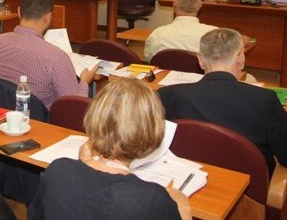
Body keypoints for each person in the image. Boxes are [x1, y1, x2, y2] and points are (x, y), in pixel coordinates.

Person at [29, 78, 190, 220]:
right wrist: (184, 212)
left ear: (93, 118)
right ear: (152, 132)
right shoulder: (153, 199)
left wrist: (83, 165)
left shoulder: (58, 171)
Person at [159, 28, 287, 175]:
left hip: (187, 178)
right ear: (241, 58)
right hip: (252, 186)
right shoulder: (264, 100)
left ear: (200, 60)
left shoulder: (167, 95)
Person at [0, 0, 96, 109]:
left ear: (19, 12)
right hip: (37, 120)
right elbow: (73, 107)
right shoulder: (56, 58)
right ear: (48, 17)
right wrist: (84, 82)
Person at [144, 0, 219, 61]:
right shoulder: (215, 36)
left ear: (174, 5)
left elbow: (149, 60)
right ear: (200, 6)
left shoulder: (157, 35)